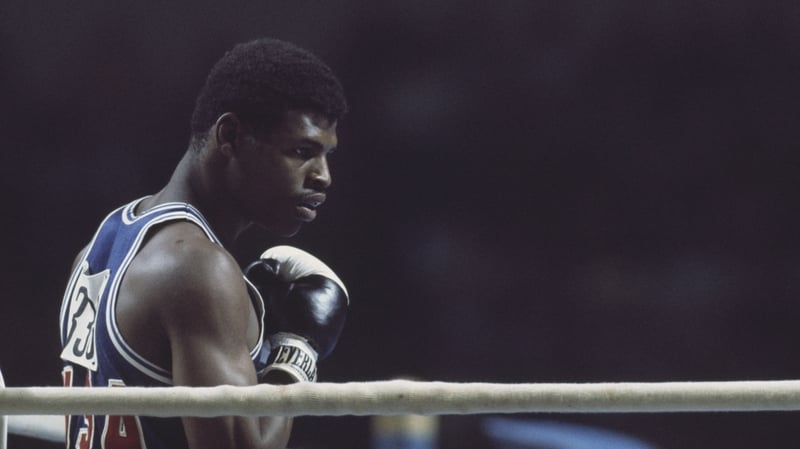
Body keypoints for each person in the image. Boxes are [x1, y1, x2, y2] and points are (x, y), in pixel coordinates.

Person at [58, 37, 350, 449]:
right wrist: (297, 351)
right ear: (229, 135)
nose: (323, 176)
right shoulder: (197, 268)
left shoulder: (97, 248)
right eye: (301, 150)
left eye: (326, 155)